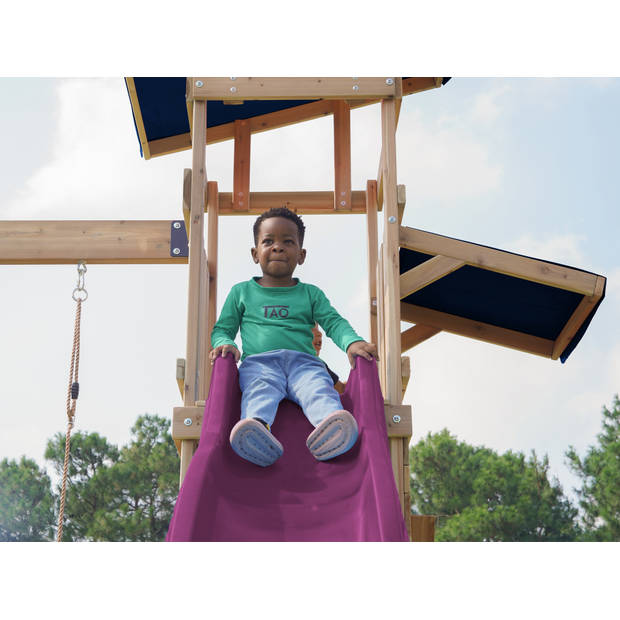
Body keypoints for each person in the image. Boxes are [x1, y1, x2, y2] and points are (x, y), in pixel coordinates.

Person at [209, 206, 378, 467]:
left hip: (304, 364)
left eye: (288, 242)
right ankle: (255, 431)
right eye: (268, 241)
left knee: (318, 389)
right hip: (259, 364)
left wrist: (352, 342)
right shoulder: (241, 292)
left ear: (301, 255)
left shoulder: (310, 294)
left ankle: (332, 427)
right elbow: (223, 329)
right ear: (255, 254)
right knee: (258, 390)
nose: (277, 247)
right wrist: (226, 344)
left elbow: (333, 322)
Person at [311, 324, 346, 395]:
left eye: (318, 329)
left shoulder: (320, 364)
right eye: (311, 328)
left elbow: (341, 389)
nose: (320, 333)